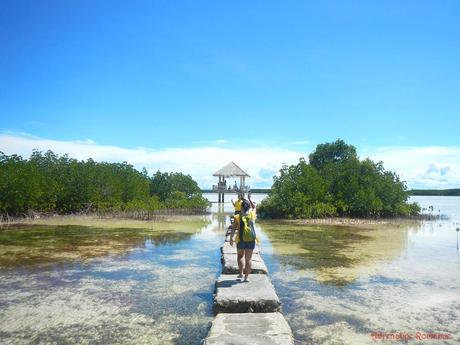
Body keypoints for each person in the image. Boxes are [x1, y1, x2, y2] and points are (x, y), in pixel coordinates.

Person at [229, 193, 257, 282]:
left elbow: (233, 229)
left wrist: (231, 239)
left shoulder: (237, 216)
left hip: (240, 240)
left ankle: (241, 273)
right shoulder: (252, 215)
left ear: (241, 207)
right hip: (251, 240)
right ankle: (246, 278)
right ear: (249, 207)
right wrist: (249, 198)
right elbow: (255, 207)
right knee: (248, 259)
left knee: (240, 256)